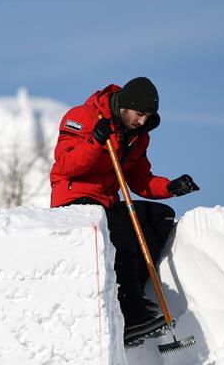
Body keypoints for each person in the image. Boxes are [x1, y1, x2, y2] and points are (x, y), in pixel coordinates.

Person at [49, 76, 199, 340]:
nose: (143, 121)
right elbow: (65, 165)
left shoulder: (137, 137)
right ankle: (131, 316)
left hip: (107, 203)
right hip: (75, 200)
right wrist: (95, 141)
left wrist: (171, 188)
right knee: (121, 233)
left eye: (148, 116)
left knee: (159, 217)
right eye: (140, 114)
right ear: (125, 106)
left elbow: (140, 179)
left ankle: (133, 294)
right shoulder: (82, 117)